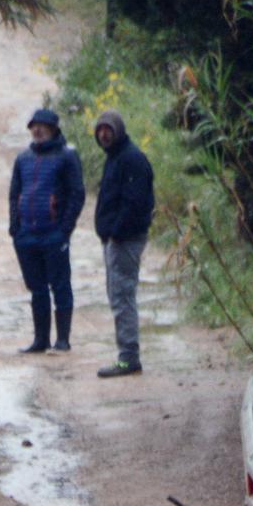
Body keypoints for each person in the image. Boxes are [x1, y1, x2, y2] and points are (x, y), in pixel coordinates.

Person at [8, 108, 85, 354]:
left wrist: (64, 230)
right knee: (37, 289)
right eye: (34, 126)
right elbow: (14, 194)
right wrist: (15, 228)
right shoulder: (23, 159)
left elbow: (77, 194)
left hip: (53, 234)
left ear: (53, 129)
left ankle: (62, 340)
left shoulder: (67, 157)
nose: (37, 130)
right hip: (27, 235)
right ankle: (40, 340)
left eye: (42, 126)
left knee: (60, 286)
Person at [92, 109, 154, 378]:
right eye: (100, 130)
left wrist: (116, 233)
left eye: (109, 129)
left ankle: (128, 358)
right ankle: (127, 355)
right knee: (117, 294)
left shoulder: (131, 158)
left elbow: (136, 202)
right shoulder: (115, 157)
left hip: (125, 240)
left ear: (118, 131)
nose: (104, 135)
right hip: (115, 240)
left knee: (122, 296)